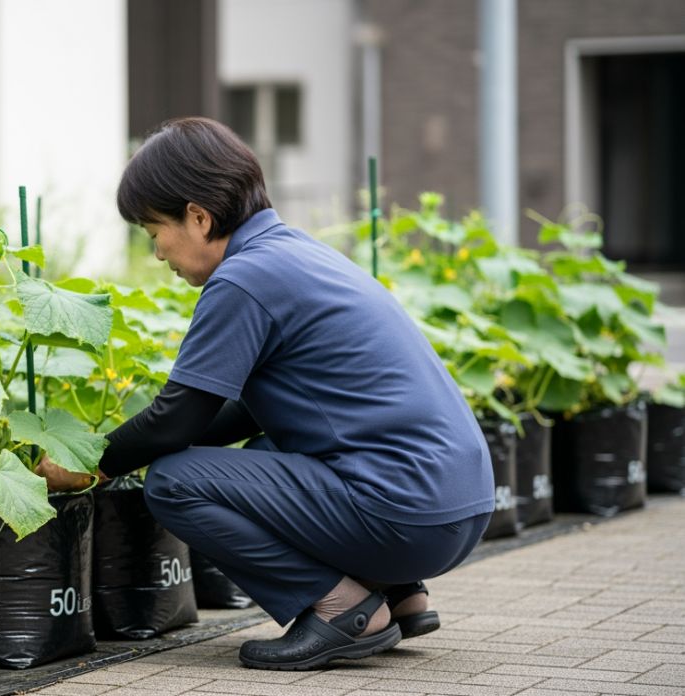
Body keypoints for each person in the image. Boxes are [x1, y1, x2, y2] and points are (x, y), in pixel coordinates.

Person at [35, 116, 494, 671]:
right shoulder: (299, 253)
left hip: (407, 515)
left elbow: (178, 419)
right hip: (455, 507)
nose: (158, 254)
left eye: (156, 233)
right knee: (263, 458)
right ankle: (396, 592)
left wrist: (92, 463)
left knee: (176, 483)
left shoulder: (243, 280)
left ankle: (341, 608)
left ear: (198, 218)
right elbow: (239, 411)